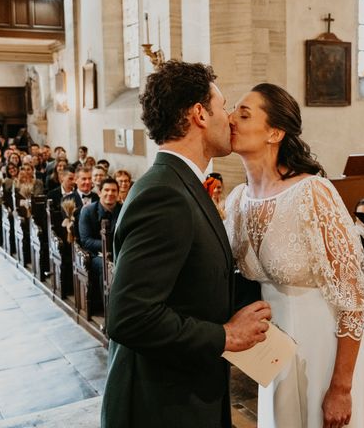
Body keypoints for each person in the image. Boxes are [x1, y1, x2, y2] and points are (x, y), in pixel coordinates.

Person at [101, 60, 271, 428]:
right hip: (161, 405)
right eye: (223, 106)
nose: (229, 118)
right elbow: (130, 317)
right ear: (199, 114)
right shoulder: (165, 194)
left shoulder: (181, 184)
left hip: (185, 392)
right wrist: (226, 335)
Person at [224, 83, 364, 428]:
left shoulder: (312, 192)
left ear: (275, 132)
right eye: (232, 110)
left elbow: (353, 299)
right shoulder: (237, 200)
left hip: (325, 350)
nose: (230, 118)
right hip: (273, 355)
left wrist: (341, 387)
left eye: (244, 113)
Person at [78, 177, 121, 311]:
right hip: (94, 254)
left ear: (118, 193)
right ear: (99, 192)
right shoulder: (88, 211)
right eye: (106, 190)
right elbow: (86, 240)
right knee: (106, 267)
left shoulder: (123, 209)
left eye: (114, 190)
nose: (110, 193)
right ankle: (108, 309)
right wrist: (108, 246)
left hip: (118, 251)